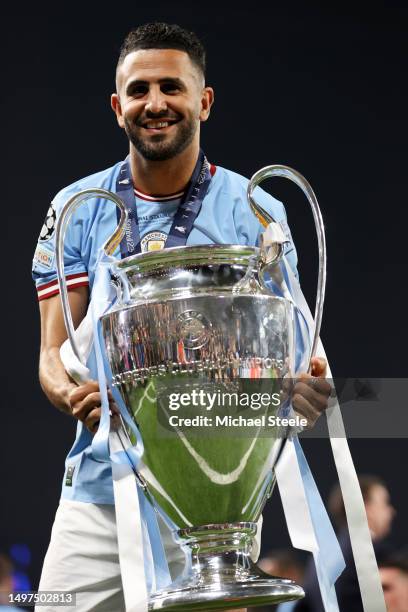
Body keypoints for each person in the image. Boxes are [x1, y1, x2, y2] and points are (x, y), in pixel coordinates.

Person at [32, 22, 332, 611]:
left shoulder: (257, 210)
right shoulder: (76, 209)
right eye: (139, 91)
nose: (156, 103)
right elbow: (50, 356)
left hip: (218, 494)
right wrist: (70, 395)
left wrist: (305, 390)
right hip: (100, 491)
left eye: (172, 87)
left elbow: (297, 355)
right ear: (118, 107)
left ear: (204, 101)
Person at [294, 474, 396, 611]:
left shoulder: (319, 558)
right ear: (365, 508)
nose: (391, 511)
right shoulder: (375, 553)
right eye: (385, 503)